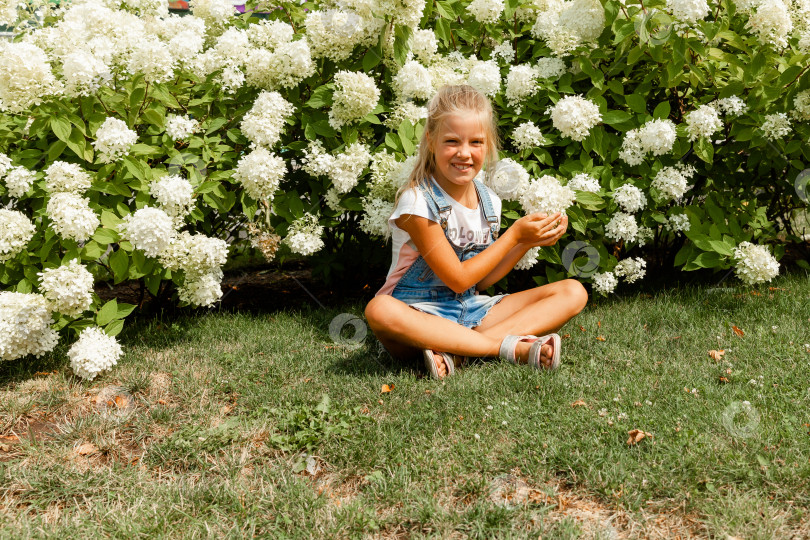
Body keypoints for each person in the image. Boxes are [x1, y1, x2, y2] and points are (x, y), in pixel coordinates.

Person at [364, 85, 588, 379]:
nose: (464, 153)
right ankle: (508, 348)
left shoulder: (489, 201)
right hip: (418, 316)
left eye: (476, 142)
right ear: (431, 141)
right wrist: (514, 236)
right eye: (452, 141)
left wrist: (525, 243)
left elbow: (479, 282)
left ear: (488, 145)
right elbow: (458, 279)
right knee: (379, 310)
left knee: (572, 291)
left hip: (470, 310)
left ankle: (457, 353)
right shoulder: (417, 203)